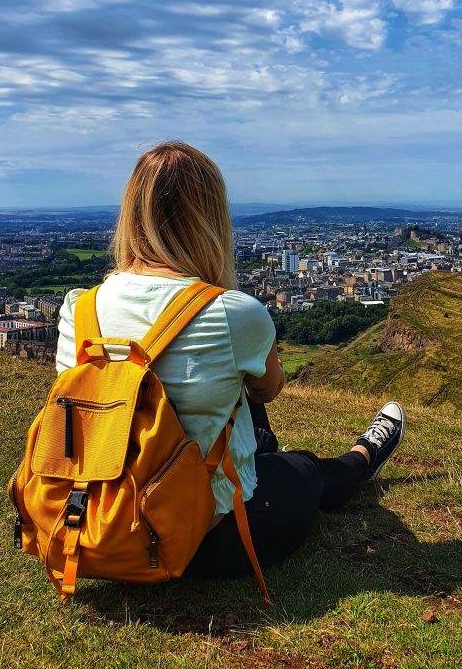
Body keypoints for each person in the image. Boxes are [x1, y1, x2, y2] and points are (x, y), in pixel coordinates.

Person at [55, 140, 406, 581]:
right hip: (205, 539)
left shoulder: (78, 309)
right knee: (305, 470)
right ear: (213, 219)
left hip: (89, 525)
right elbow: (269, 390)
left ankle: (271, 459)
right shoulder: (233, 313)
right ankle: (362, 456)